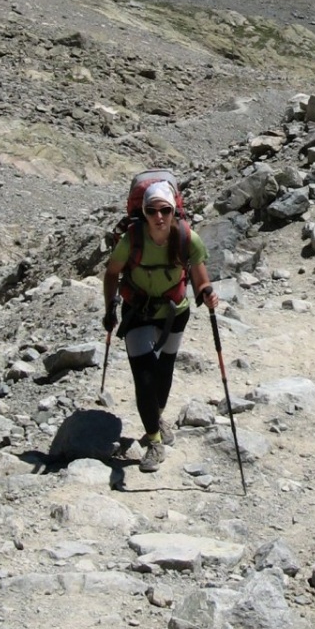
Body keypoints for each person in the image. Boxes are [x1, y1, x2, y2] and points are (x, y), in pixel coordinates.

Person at [101, 179, 216, 473]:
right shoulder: (131, 240)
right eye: (151, 211)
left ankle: (157, 416)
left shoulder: (187, 238)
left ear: (174, 210)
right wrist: (109, 306)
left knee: (165, 367)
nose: (159, 216)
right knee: (144, 375)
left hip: (174, 311)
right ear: (144, 211)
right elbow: (112, 272)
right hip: (137, 311)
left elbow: (201, 278)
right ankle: (154, 440)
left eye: (164, 209)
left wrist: (207, 293)